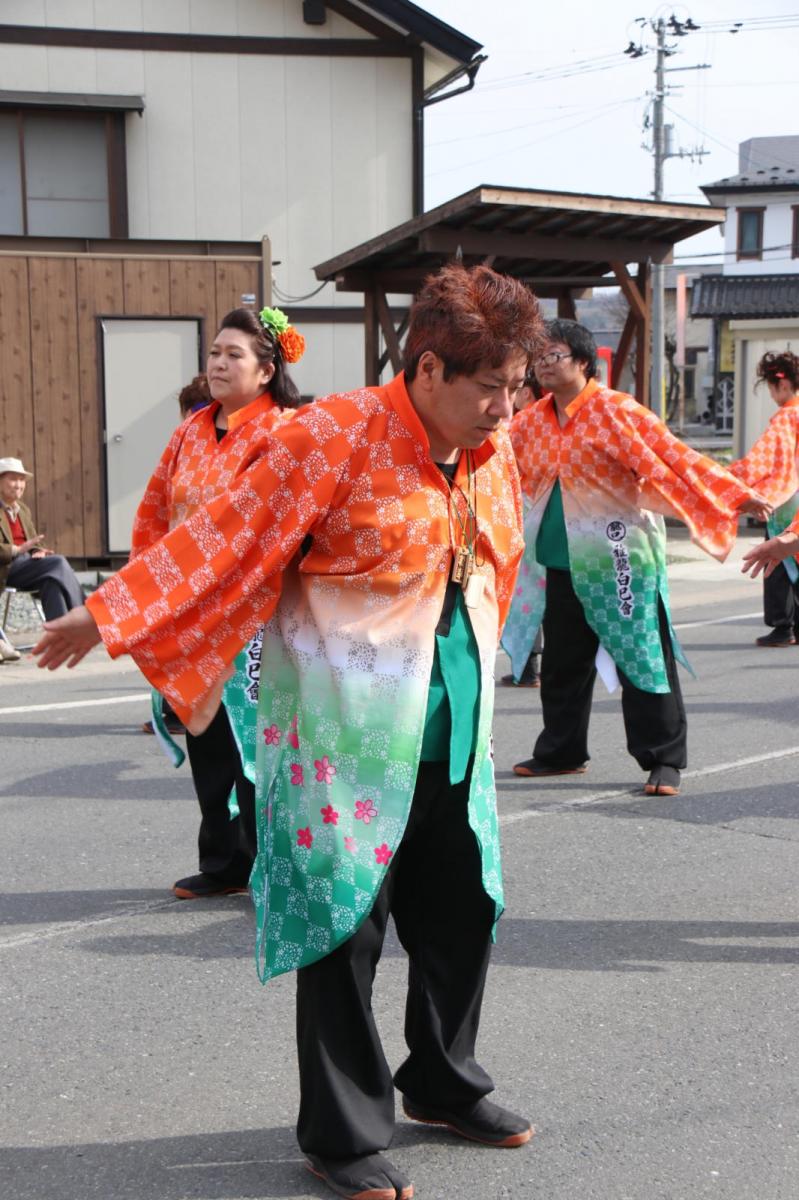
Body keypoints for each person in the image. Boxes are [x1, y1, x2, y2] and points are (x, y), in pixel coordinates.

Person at [34, 264, 543, 1200]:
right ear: (428, 368)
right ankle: (341, 1133)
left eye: (514, 389)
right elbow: (221, 537)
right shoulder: (331, 435)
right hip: (343, 739)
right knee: (344, 928)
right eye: (490, 388)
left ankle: (440, 1081)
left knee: (462, 911)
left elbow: (494, 563)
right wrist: (105, 613)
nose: (505, 410)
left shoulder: (490, 449)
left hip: (453, 729)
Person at [505, 319, 770, 798]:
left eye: (554, 354)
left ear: (583, 362)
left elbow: (674, 457)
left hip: (620, 561)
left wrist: (734, 493)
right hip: (559, 562)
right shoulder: (529, 422)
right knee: (563, 665)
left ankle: (663, 759)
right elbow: (494, 466)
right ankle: (562, 752)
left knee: (642, 656)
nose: (543, 364)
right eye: (538, 357)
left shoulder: (617, 411)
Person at [132, 306, 303, 901]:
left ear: (266, 370)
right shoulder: (190, 431)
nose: (220, 364)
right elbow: (156, 509)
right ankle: (226, 859)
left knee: (259, 738)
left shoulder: (284, 431)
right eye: (214, 353)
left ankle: (272, 863)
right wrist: (148, 590)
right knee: (205, 733)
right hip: (194, 608)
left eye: (234, 355)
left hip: (257, 609)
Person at [729, 350, 799, 648]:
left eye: (772, 388)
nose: (772, 395)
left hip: (787, 498)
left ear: (782, 385)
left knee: (776, 559)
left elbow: (759, 462)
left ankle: (783, 626)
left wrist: (727, 479)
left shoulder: (785, 418)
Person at [0, 456, 86, 663]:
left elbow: (32, 541)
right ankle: (84, 613)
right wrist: (17, 549)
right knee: (58, 563)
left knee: (51, 580)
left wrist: (38, 551)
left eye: (22, 480)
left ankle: (60, 637)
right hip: (5, 567)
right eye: (13, 479)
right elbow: (17, 547)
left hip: (25, 565)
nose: (19, 485)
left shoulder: (23, 510)